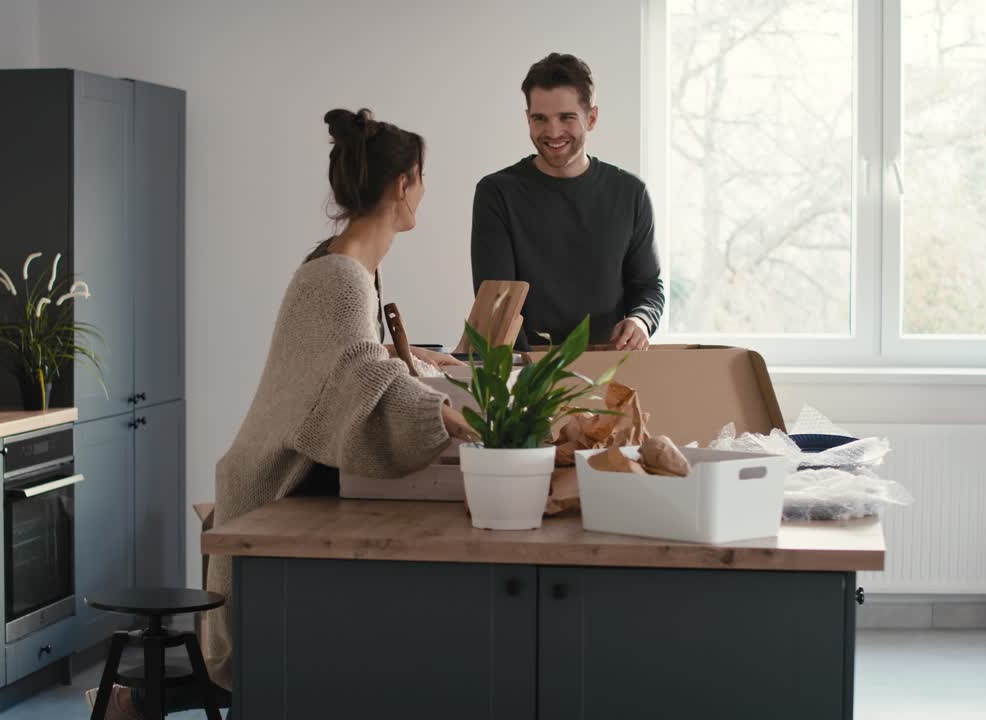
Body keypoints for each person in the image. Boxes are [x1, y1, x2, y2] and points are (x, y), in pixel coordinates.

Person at [84, 108, 476, 719]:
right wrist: (445, 416)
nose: (423, 191)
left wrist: (413, 361)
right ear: (403, 185)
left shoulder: (344, 266)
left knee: (278, 662)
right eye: (422, 178)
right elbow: (357, 381)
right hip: (270, 489)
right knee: (275, 663)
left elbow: (350, 363)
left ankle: (131, 702)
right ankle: (130, 703)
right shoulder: (342, 279)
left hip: (272, 480)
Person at [471, 52, 665, 351]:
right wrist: (525, 382)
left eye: (566, 117)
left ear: (592, 118)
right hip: (527, 371)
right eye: (540, 119)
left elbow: (649, 286)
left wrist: (640, 320)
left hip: (606, 368)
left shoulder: (631, 193)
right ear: (527, 119)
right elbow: (499, 306)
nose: (553, 132)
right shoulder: (497, 193)